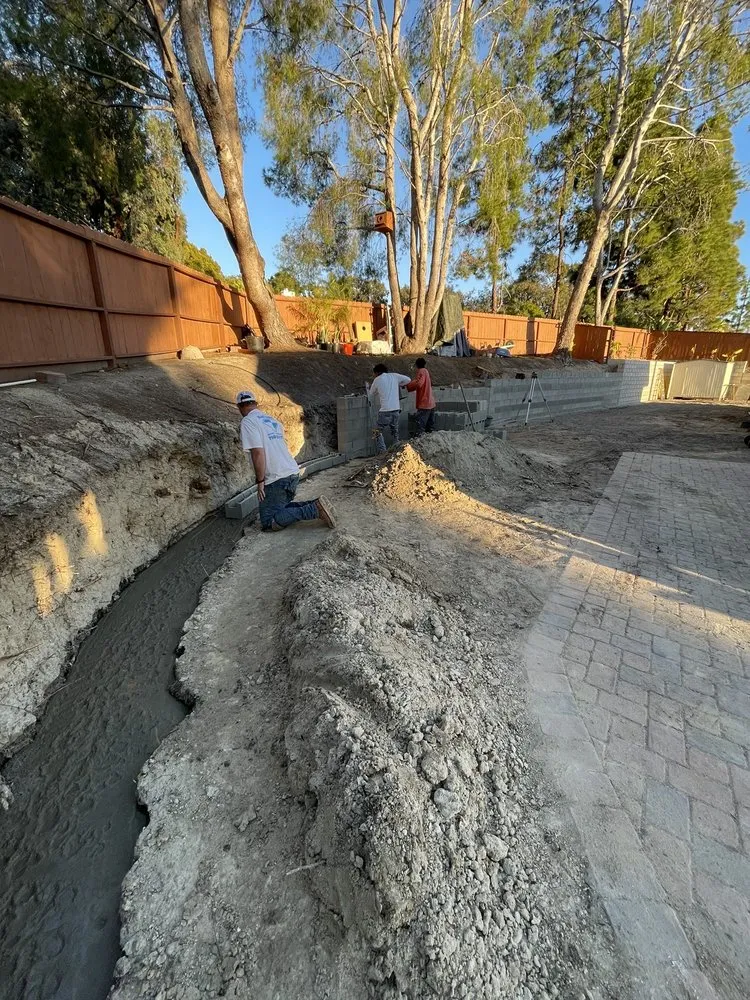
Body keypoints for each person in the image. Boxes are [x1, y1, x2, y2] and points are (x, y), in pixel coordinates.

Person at [236, 390, 335, 532]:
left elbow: (257, 453)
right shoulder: (273, 421)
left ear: (239, 407)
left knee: (268, 522)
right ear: (256, 404)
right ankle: (316, 504)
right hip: (292, 473)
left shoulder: (248, 422)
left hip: (277, 479)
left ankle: (313, 510)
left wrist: (260, 481)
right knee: (280, 508)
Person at [367, 364, 411, 453]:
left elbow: (371, 393)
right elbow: (408, 380)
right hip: (396, 410)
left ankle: (383, 451)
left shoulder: (377, 380)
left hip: (385, 411)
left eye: (374, 373)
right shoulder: (394, 376)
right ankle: (397, 451)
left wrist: (371, 388)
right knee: (394, 431)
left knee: (377, 431)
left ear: (377, 372)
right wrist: (398, 384)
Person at [405, 357, 436, 434]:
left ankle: (419, 440)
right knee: (429, 428)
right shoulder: (426, 371)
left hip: (424, 403)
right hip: (430, 403)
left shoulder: (421, 371)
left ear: (416, 365)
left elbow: (419, 383)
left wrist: (409, 385)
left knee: (420, 426)